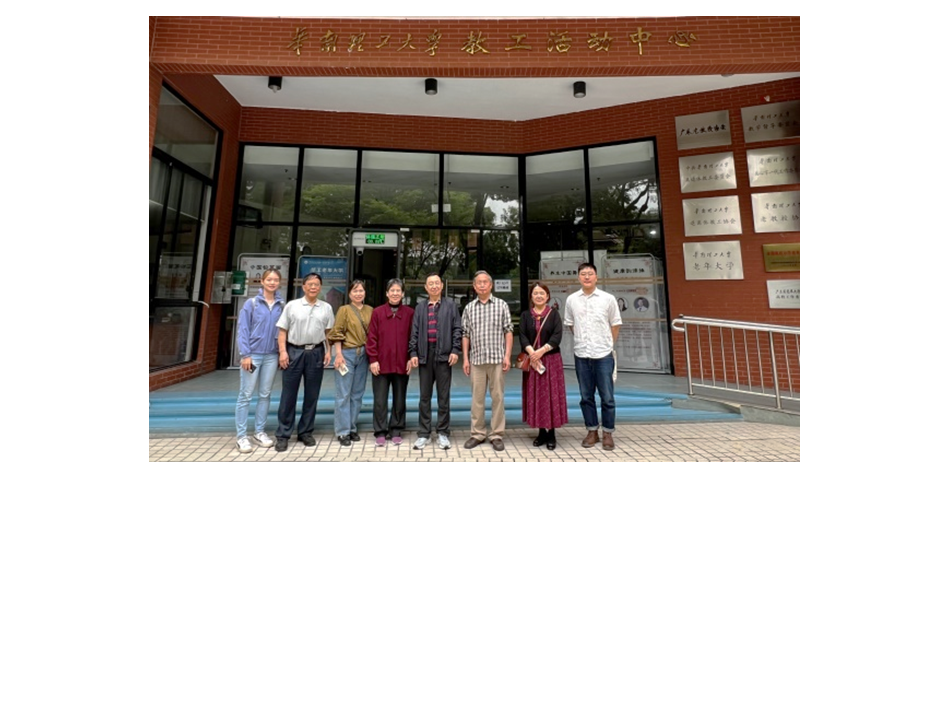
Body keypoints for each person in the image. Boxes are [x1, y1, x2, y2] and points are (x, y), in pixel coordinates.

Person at [563, 262, 623, 451]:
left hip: (603, 354)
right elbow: (570, 324)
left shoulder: (608, 299)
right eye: (583, 274)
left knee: (607, 397)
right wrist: (583, 340)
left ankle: (608, 433)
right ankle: (592, 431)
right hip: (582, 354)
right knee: (586, 396)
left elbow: (615, 324)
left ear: (596, 277)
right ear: (578, 277)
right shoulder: (572, 300)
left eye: (590, 273)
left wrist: (607, 344)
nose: (587, 277)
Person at [274, 272, 334, 452]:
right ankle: (283, 434)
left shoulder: (326, 308)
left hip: (316, 352)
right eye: (310, 284)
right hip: (294, 351)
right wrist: (283, 352)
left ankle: (306, 432)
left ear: (320, 287)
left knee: (312, 394)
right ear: (304, 287)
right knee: (288, 394)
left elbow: (328, 333)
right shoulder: (292, 306)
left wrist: (328, 351)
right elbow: (282, 331)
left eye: (317, 284)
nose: (313, 287)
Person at [408, 272, 462, 450]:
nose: (434, 286)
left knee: (443, 396)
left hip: (444, 355)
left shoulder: (450, 305)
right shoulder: (420, 307)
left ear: (442, 286)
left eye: (436, 283)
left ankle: (443, 433)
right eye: (430, 283)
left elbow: (457, 329)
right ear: (426, 287)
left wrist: (455, 350)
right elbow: (414, 331)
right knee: (424, 397)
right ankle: (424, 433)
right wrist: (413, 352)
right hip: (425, 355)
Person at [234, 267, 285, 453]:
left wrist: (281, 352)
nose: (272, 282)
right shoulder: (252, 303)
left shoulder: (281, 305)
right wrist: (245, 354)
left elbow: (283, 331)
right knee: (246, 394)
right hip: (253, 356)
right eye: (269, 279)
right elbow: (243, 329)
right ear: (262, 282)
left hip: (271, 356)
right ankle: (241, 436)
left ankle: (259, 432)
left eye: (275, 280)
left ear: (279, 283)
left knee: (265, 394)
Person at [461, 270, 513, 451]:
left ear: (491, 285)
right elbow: (465, 334)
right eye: (479, 283)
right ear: (474, 286)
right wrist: (465, 358)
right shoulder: (469, 308)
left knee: (497, 398)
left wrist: (507, 356)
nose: (482, 285)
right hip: (476, 360)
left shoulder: (501, 305)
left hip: (497, 359)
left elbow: (508, 331)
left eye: (485, 282)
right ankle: (477, 433)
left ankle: (496, 434)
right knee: (477, 399)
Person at [519, 282, 569, 451]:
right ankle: (541, 431)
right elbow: (523, 336)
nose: (539, 296)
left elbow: (557, 336)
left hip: (550, 360)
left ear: (547, 296)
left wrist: (541, 351)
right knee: (536, 395)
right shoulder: (526, 315)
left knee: (551, 395)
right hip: (533, 361)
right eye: (535, 293)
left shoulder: (553, 314)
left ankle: (552, 432)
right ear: (531, 296)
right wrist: (532, 353)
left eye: (542, 293)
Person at [366, 278, 414, 446]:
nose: (395, 293)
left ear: (403, 293)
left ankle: (396, 429)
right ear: (387, 293)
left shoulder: (409, 313)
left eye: (398, 291)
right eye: (392, 290)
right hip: (381, 364)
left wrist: (411, 357)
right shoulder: (377, 312)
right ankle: (380, 431)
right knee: (380, 399)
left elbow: (413, 338)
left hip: (402, 363)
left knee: (399, 399)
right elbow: (371, 338)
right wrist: (373, 359)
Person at [328, 279, 374, 446]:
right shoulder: (344, 310)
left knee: (357, 394)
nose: (358, 293)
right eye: (355, 291)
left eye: (361, 290)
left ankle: (352, 427)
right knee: (343, 393)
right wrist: (338, 354)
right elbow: (337, 332)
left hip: (363, 354)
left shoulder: (370, 310)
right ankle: (342, 431)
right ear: (349, 293)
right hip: (347, 353)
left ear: (365, 293)